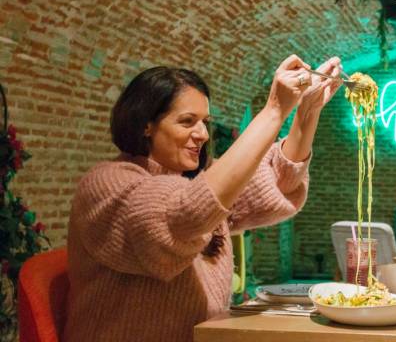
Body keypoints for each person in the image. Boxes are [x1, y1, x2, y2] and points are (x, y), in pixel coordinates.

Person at [64, 54, 342, 341]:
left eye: (204, 122)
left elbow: (277, 182)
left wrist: (307, 112)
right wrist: (273, 111)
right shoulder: (107, 184)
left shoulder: (190, 181)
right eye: (187, 122)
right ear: (146, 125)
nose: (202, 134)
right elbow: (184, 213)